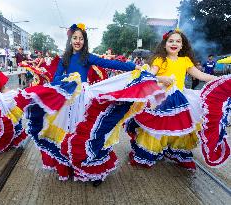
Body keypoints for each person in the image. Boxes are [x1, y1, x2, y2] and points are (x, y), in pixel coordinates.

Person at [25, 23, 161, 187]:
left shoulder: (87, 57)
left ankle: (91, 168)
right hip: (68, 100)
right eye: (75, 38)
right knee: (68, 133)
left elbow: (109, 63)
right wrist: (67, 81)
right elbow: (55, 79)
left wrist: (133, 66)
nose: (78, 41)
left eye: (81, 38)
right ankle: (70, 166)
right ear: (70, 39)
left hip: (84, 98)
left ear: (84, 41)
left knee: (87, 133)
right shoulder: (64, 59)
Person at [126, 29, 217, 170]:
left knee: (180, 127)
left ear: (182, 45)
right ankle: (149, 153)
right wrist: (162, 79)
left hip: (179, 101)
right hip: (160, 99)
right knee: (156, 129)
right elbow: (148, 77)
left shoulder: (185, 60)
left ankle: (174, 151)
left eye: (178, 41)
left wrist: (221, 79)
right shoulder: (159, 59)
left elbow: (201, 76)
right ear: (164, 44)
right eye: (171, 41)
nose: (174, 43)